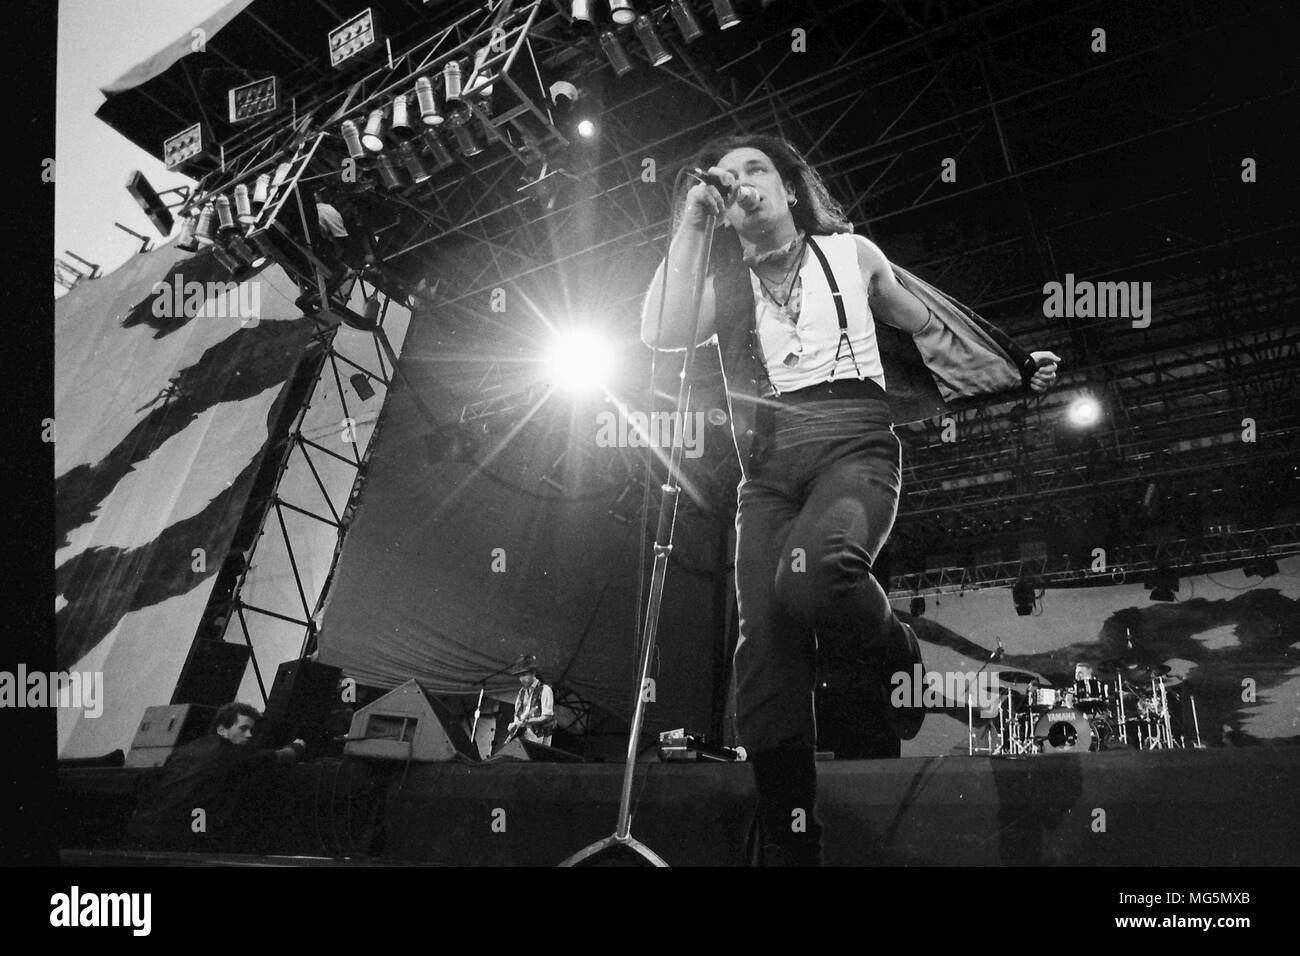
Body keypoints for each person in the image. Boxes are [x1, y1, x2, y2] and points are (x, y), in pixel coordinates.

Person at [641, 133, 1060, 866]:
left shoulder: (852, 254)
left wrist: (1013, 364)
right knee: (765, 661)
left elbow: (930, 323)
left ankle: (905, 663)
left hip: (855, 449)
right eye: (728, 176)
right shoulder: (727, 285)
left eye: (757, 169)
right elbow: (662, 331)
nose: (741, 181)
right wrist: (692, 219)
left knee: (817, 571)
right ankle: (793, 846)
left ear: (790, 187)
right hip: (766, 474)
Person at [127, 702, 306, 853]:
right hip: (180, 841)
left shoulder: (185, 750)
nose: (250, 735)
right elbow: (283, 756)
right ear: (222, 730)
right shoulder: (234, 754)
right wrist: (298, 745)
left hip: (144, 832)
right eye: (244, 729)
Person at [507, 663, 556, 746]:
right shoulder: (521, 692)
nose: (521, 679)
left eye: (524, 675)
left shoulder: (545, 690)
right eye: (519, 676)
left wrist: (527, 722)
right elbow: (517, 714)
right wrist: (514, 725)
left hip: (538, 738)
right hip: (522, 736)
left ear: (533, 673)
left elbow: (547, 717)